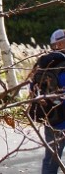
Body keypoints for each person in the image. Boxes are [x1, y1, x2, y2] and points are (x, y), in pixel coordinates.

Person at [34, 29, 65, 174]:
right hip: (59, 120)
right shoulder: (62, 66)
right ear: (59, 44)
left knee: (51, 160)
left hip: (52, 119)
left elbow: (33, 90)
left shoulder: (43, 65)